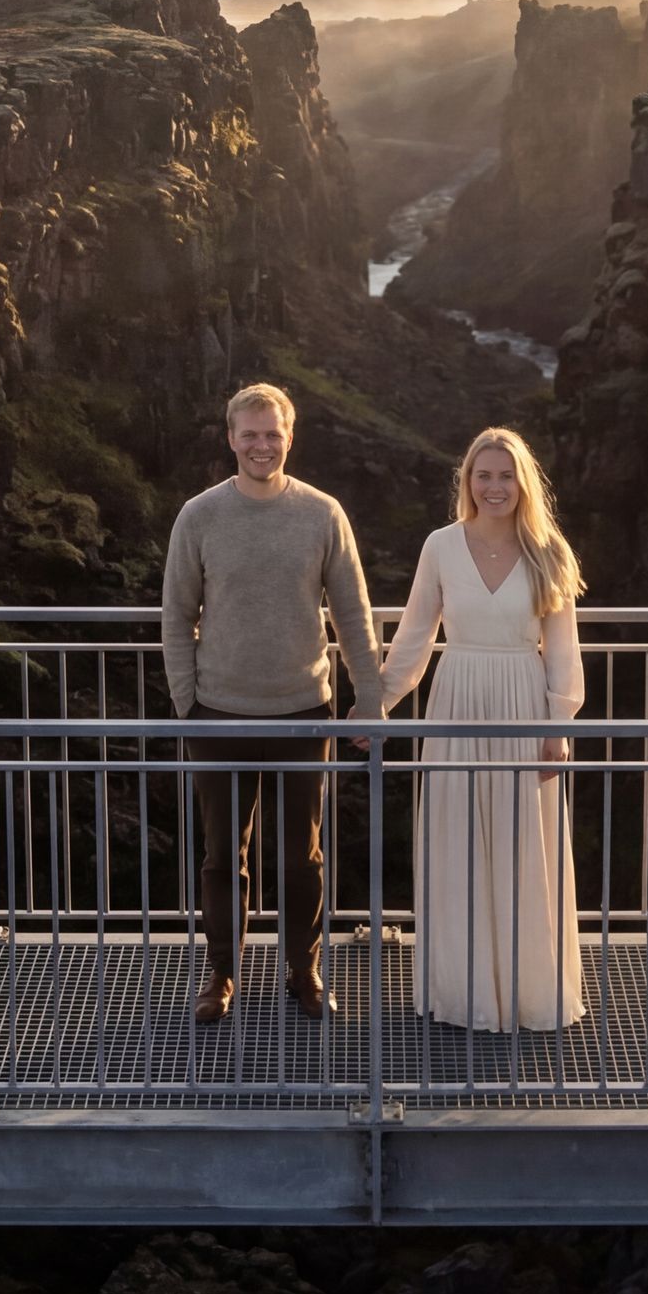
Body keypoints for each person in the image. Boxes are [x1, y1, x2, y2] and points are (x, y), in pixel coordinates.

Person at [161, 381, 383, 1026]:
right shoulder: (199, 515)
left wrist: (369, 700)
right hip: (217, 712)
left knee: (300, 855)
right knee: (220, 855)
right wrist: (187, 704)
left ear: (290, 436)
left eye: (273, 434)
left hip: (302, 710)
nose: (262, 445)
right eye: (250, 434)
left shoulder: (323, 514)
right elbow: (176, 613)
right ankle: (221, 973)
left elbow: (353, 614)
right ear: (231, 438)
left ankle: (303, 969)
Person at [375, 426, 587, 1032]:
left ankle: (526, 990)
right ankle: (463, 991)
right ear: (467, 481)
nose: (495, 486)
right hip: (457, 701)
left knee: (524, 846)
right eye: (483, 475)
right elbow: (415, 635)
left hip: (523, 703)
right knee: (458, 840)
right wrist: (377, 705)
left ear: (524, 483)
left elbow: (563, 649)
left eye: (506, 475)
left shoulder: (549, 550)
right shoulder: (440, 546)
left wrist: (557, 726)